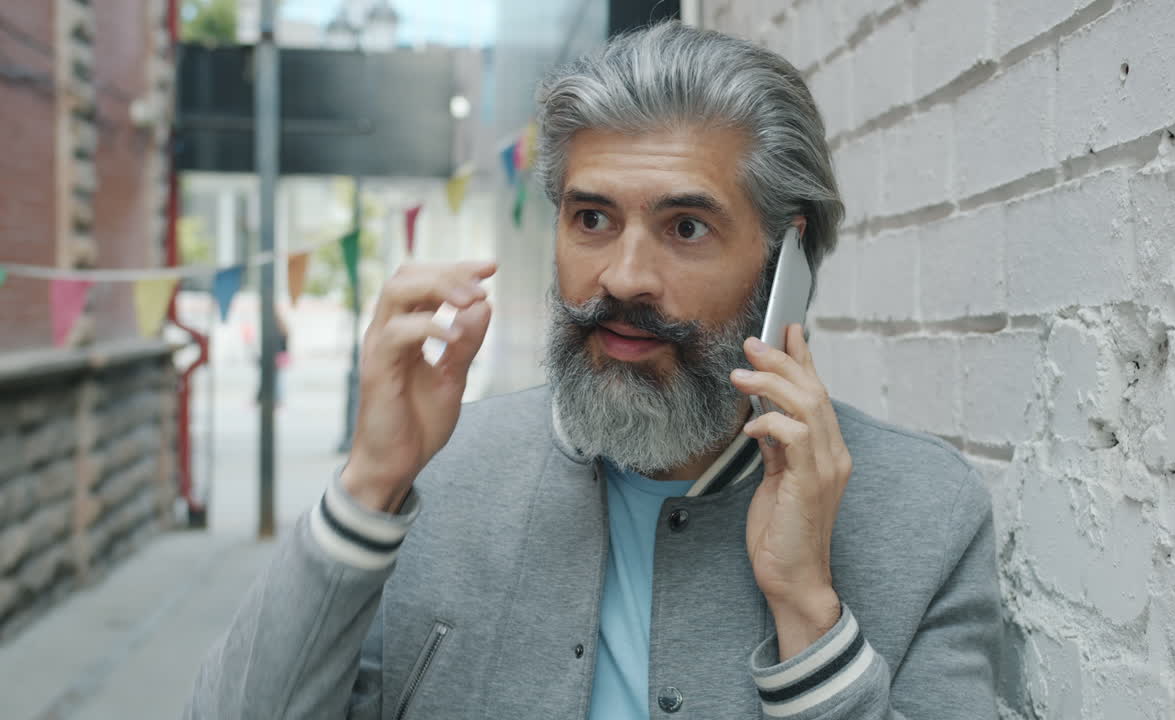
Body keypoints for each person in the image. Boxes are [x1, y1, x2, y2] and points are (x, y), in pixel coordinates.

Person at [187, 21, 999, 719]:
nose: (621, 277)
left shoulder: (925, 515)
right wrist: (367, 489)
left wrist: (807, 610)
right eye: (592, 218)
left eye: (685, 227)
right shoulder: (439, 476)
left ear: (790, 262)